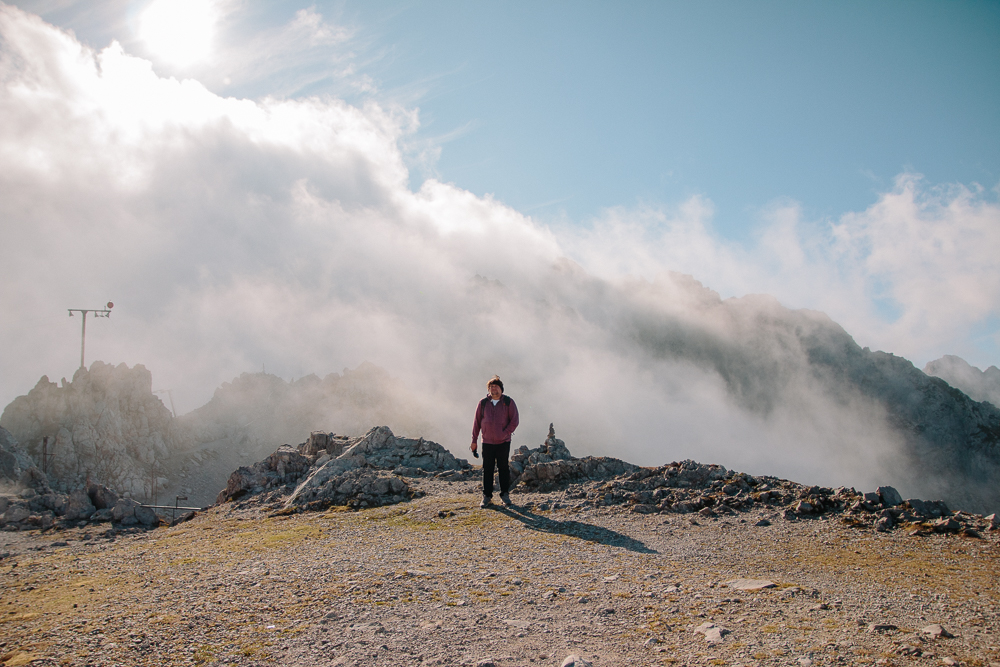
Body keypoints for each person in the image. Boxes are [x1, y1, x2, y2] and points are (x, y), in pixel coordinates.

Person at [471, 375, 519, 508]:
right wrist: (474, 440)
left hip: (503, 442)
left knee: (503, 468)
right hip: (486, 442)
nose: (494, 390)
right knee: (487, 469)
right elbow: (477, 422)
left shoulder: (508, 402)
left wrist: (505, 433)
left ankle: (505, 495)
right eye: (491, 387)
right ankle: (487, 496)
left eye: (496, 387)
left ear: (501, 389)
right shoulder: (483, 403)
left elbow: (514, 420)